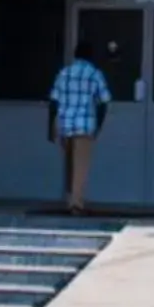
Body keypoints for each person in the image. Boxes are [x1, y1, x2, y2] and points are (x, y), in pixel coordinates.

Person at [47, 49, 113, 213]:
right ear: (91, 56)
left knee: (69, 165)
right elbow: (104, 101)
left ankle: (71, 199)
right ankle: (76, 204)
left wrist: (50, 127)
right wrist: (99, 125)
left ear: (75, 55)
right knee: (80, 166)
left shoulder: (64, 73)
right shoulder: (94, 74)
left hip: (65, 124)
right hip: (84, 125)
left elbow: (53, 101)